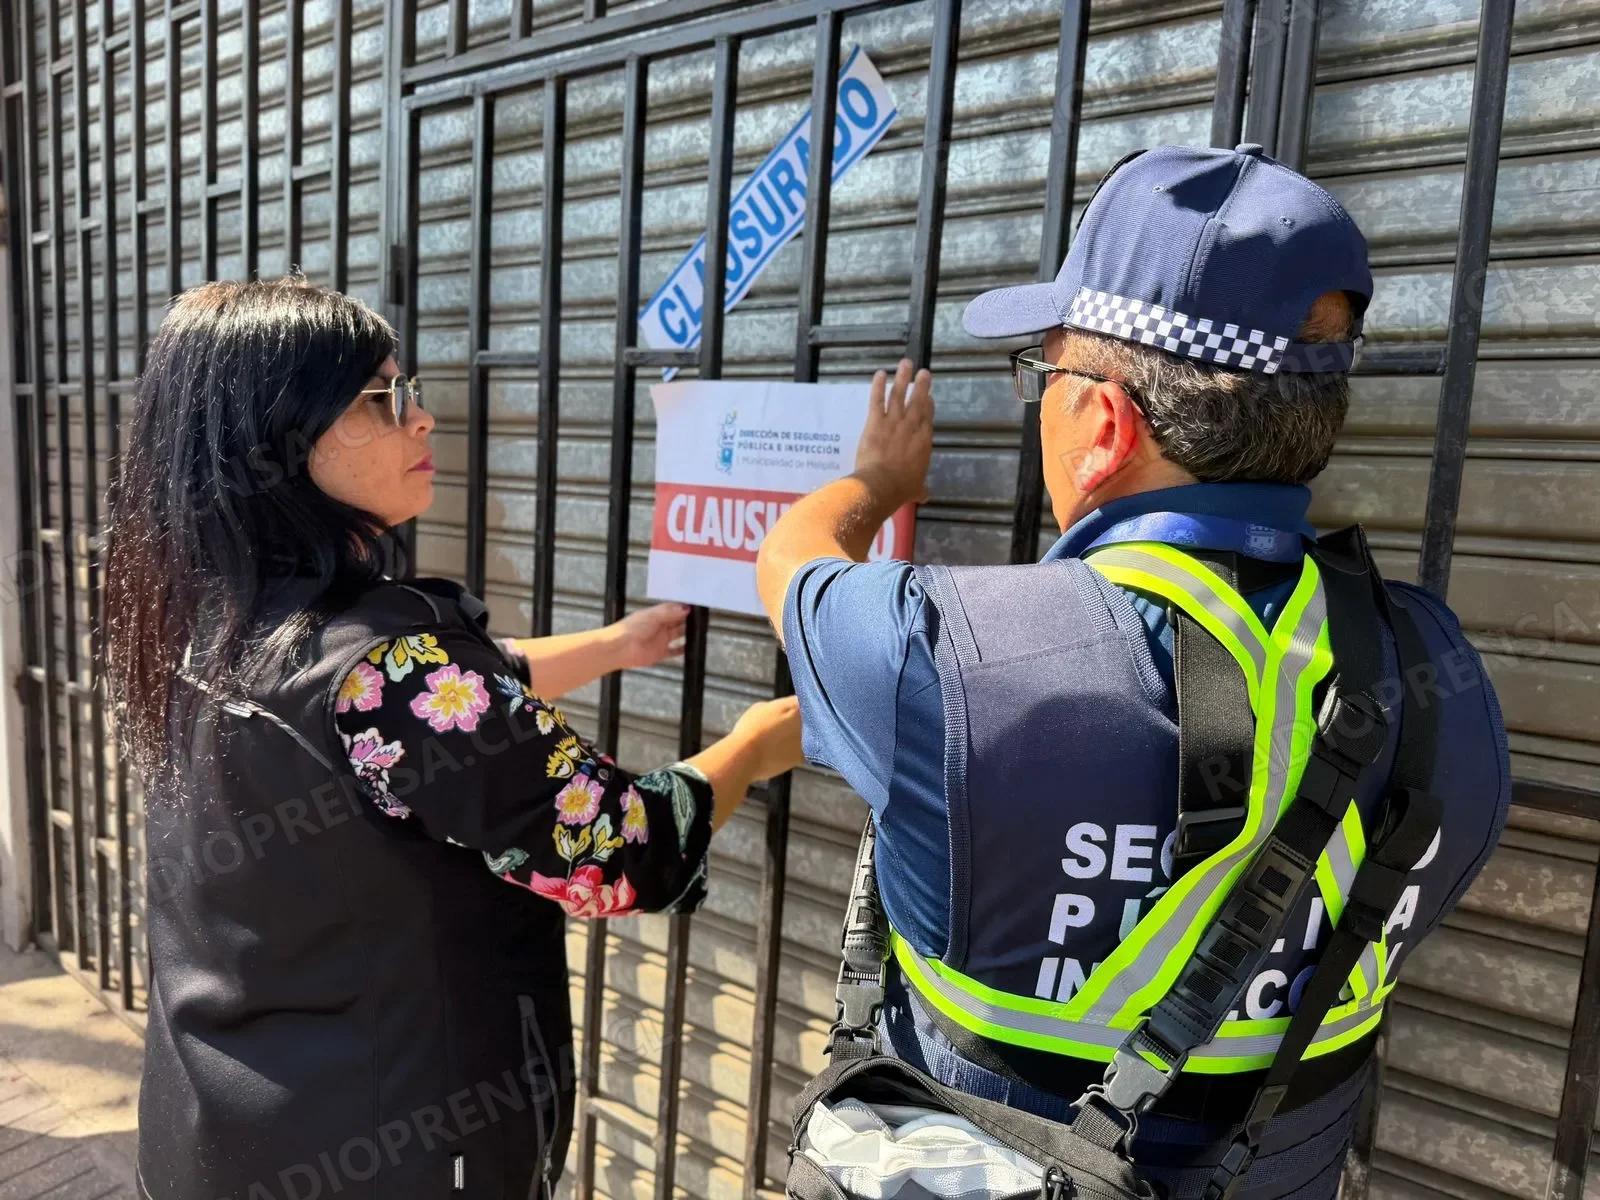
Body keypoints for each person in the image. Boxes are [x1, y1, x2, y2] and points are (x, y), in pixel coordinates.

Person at [758, 144, 1509, 1197]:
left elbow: (790, 567)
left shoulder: (934, 652)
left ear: (1103, 423)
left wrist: (877, 480)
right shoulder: (1445, 672)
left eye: (1045, 375)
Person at [104, 277, 803, 1200]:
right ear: (278, 434)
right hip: (386, 1151)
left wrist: (617, 645)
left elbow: (436, 714)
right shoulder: (386, 672)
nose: (422, 421)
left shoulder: (201, 611)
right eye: (382, 399)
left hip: (215, 1128)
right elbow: (619, 847)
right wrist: (758, 740)